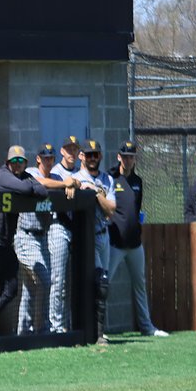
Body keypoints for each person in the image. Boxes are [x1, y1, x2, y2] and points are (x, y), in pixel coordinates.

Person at [0, 146, 45, 339]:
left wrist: (30, 185)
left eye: (21, 162)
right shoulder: (2, 176)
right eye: (14, 161)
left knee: (12, 287)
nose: (17, 165)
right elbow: (27, 188)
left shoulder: (23, 177)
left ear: (25, 163)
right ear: (8, 163)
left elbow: (43, 191)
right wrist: (29, 185)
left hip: (5, 241)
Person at [16, 142, 83, 334]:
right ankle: (40, 327)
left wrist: (73, 184)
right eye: (45, 158)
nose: (48, 161)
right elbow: (41, 183)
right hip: (25, 235)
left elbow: (74, 181)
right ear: (38, 159)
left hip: (42, 238)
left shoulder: (55, 176)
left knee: (30, 286)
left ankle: (24, 330)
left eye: (51, 158)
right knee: (44, 280)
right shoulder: (29, 172)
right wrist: (65, 184)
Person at [108, 140, 168, 338]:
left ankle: (147, 328)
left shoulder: (138, 182)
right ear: (119, 157)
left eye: (131, 157)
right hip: (115, 243)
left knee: (140, 285)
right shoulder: (110, 178)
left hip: (135, 244)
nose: (128, 159)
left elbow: (136, 211)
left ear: (135, 159)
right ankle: (98, 330)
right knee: (104, 284)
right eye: (124, 156)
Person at [71, 139, 117, 345]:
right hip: (84, 237)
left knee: (103, 283)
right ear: (82, 156)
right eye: (88, 154)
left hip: (102, 234)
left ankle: (99, 331)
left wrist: (97, 193)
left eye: (95, 154)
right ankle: (90, 332)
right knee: (94, 283)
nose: (91, 158)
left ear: (100, 156)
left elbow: (111, 209)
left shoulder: (107, 179)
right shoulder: (76, 178)